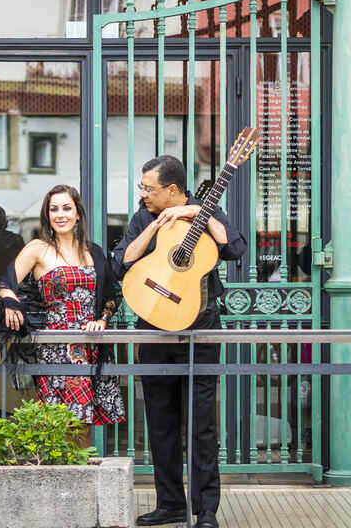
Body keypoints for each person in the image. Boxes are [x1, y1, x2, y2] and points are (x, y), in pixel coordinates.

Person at [112, 156, 248, 528]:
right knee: (160, 423)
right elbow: (119, 262)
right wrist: (155, 224)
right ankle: (170, 503)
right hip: (153, 328)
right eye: (142, 188)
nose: (142, 194)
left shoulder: (208, 210)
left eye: (148, 189)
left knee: (202, 425)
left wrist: (194, 214)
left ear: (173, 190)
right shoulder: (144, 216)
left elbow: (236, 248)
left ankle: (206, 510)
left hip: (200, 329)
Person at [0, 184, 125, 437]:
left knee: (83, 424)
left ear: (78, 214)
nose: (60, 214)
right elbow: (4, 282)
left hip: (90, 345)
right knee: (56, 424)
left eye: (67, 208)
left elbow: (112, 295)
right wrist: (10, 299)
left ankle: (82, 476)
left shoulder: (94, 252)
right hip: (55, 346)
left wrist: (102, 319)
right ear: (47, 215)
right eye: (54, 209)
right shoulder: (37, 248)